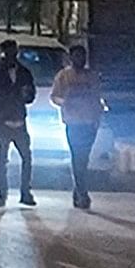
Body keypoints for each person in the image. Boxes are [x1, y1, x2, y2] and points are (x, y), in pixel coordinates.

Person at [48, 40, 109, 211]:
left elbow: (98, 98)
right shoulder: (63, 76)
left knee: (84, 158)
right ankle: (82, 193)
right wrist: (66, 100)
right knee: (77, 157)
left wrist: (99, 118)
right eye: (76, 56)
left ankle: (79, 191)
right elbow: (55, 97)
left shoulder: (92, 76)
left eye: (82, 56)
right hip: (73, 122)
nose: (79, 59)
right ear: (70, 58)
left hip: (89, 123)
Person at [0, 40, 41, 207]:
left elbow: (30, 96)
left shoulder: (24, 72)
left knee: (26, 157)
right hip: (1, 119)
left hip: (19, 118)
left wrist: (25, 93)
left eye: (13, 52)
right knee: (3, 156)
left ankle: (25, 191)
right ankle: (2, 193)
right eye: (7, 53)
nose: (10, 56)